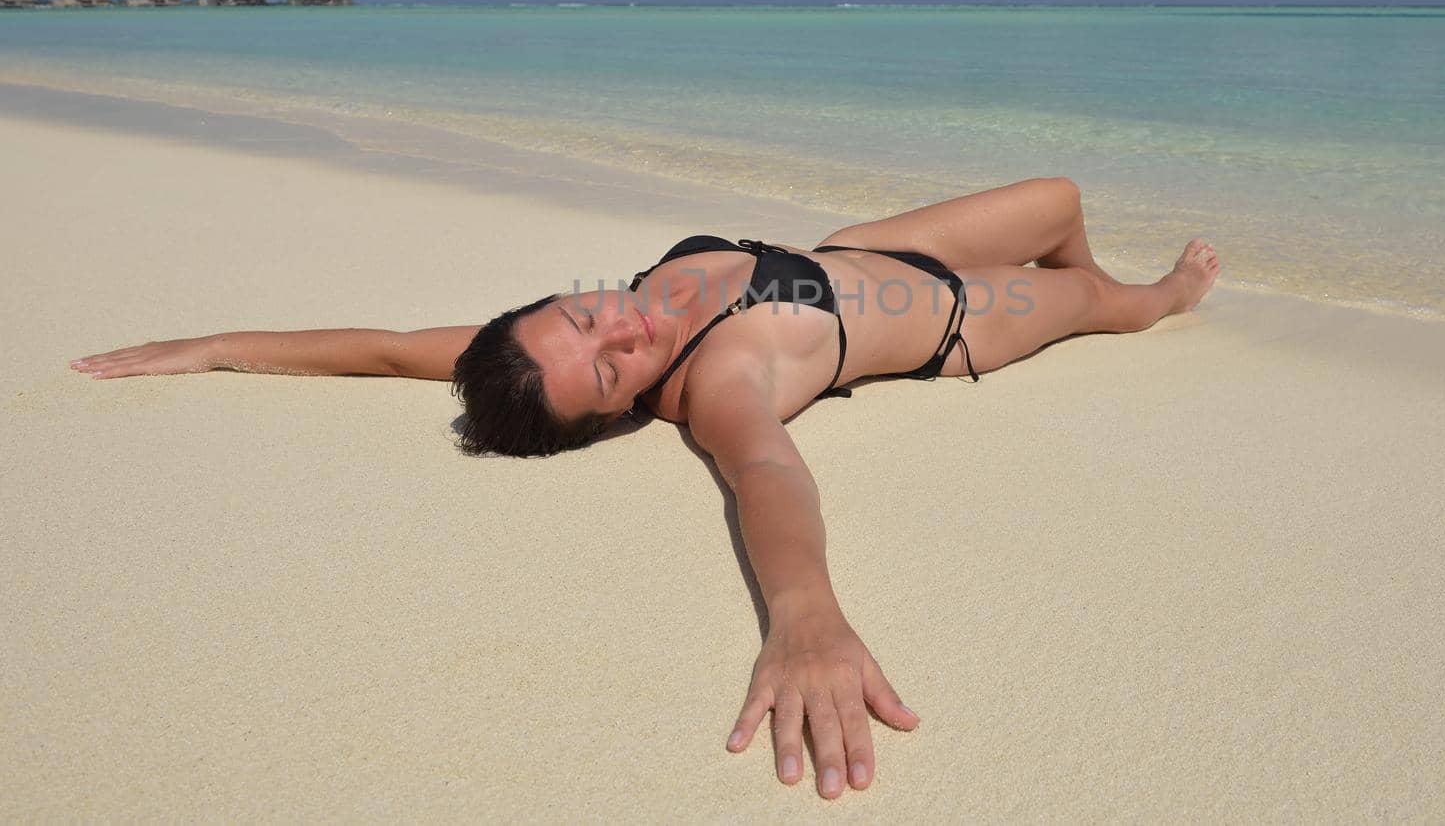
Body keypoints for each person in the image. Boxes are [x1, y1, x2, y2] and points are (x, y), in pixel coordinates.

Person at [69, 177, 1220, 801]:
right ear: (620, 411)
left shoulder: (545, 342)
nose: (620, 330)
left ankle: (1092, 267)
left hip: (855, 248)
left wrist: (214, 345)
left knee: (1060, 200)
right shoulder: (720, 382)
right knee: (1114, 304)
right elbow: (765, 470)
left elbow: (382, 346)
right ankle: (1153, 293)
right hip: (968, 324)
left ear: (543, 306)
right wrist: (807, 620)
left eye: (585, 318)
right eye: (612, 367)